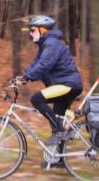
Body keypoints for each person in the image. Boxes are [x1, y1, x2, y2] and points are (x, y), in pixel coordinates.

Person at [18, 15, 83, 168]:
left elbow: (45, 65)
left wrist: (28, 77)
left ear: (43, 30)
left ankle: (60, 131)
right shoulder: (46, 45)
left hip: (68, 84)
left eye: (33, 30)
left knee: (36, 99)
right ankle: (60, 159)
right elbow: (37, 64)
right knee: (57, 119)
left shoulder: (52, 44)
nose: (30, 34)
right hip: (65, 85)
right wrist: (22, 77)